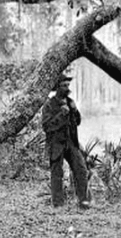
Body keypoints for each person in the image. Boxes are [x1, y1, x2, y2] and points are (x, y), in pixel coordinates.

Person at [41, 74, 91, 209]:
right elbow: (47, 127)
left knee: (81, 170)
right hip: (56, 144)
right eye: (64, 85)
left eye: (68, 85)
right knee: (57, 173)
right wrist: (61, 114)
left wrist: (75, 111)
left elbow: (78, 122)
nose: (67, 88)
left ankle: (83, 202)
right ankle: (58, 204)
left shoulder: (70, 101)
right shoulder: (49, 105)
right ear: (57, 87)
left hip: (71, 143)